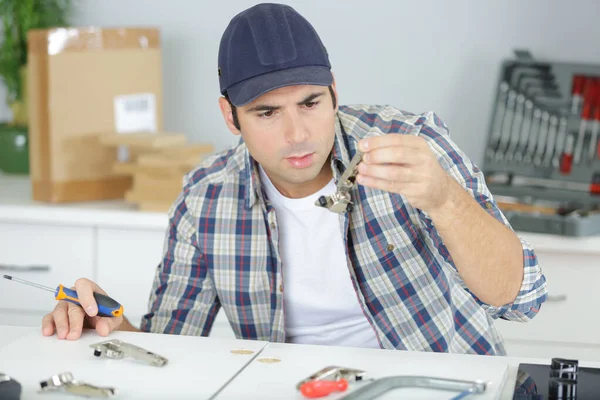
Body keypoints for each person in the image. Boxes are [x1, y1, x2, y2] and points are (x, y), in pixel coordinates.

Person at [41, 3, 547, 355]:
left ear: (333, 90)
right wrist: (104, 324)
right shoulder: (206, 199)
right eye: (266, 113)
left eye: (311, 103)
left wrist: (446, 201)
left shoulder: (412, 144)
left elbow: (523, 300)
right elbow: (170, 350)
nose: (297, 133)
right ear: (229, 115)